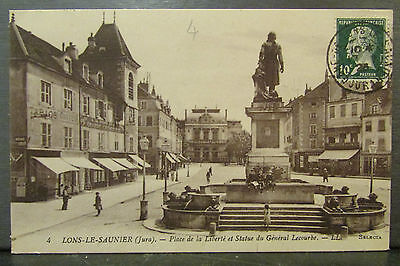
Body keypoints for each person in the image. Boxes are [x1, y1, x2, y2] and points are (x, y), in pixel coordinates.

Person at [252, 32, 284, 99]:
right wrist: (282, 65)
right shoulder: (278, 46)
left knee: (265, 78)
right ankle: (271, 91)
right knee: (273, 79)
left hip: (266, 63)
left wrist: (260, 61)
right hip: (274, 63)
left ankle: (266, 93)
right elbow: (280, 56)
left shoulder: (265, 44)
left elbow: (261, 53)